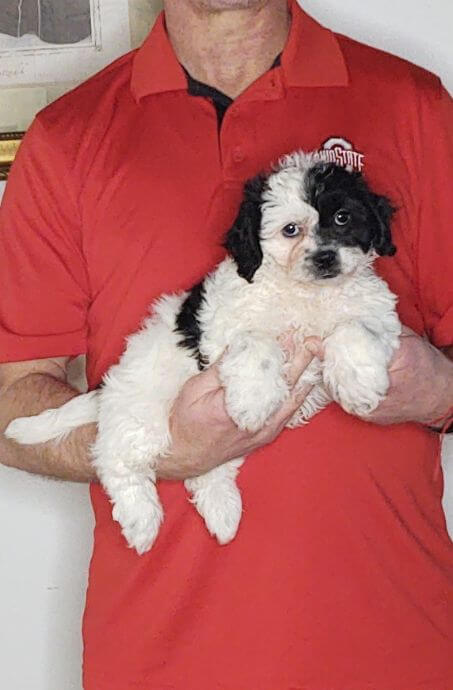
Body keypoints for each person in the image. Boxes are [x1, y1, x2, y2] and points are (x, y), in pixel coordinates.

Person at [0, 1, 452, 688]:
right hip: (160, 659)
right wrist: (162, 450)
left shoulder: (411, 105)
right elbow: (8, 403)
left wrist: (438, 391)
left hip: (397, 646)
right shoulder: (68, 137)